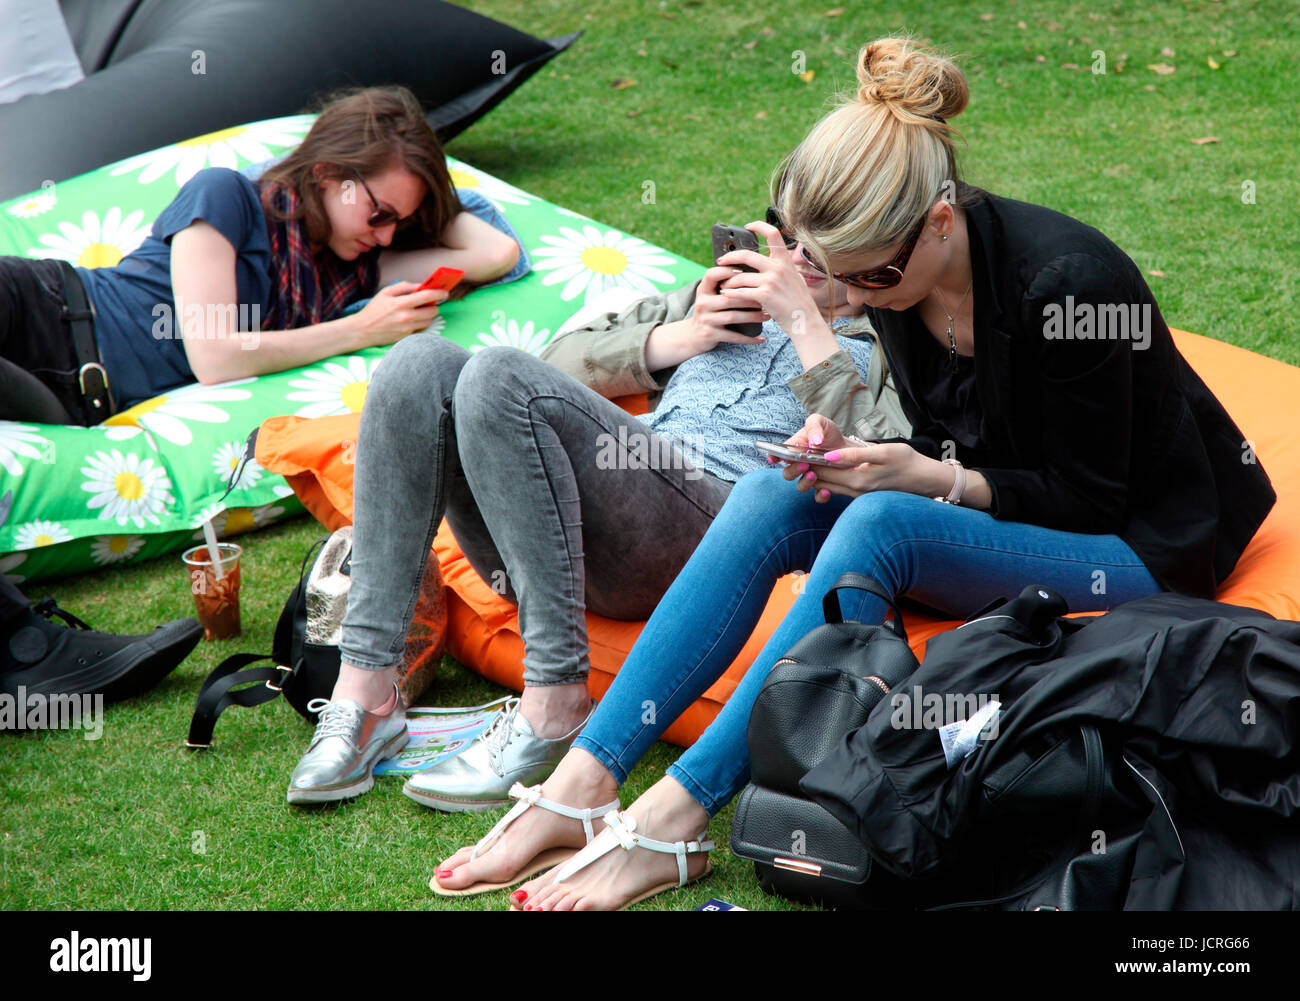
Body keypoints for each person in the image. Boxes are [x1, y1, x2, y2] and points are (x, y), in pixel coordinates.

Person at [431, 37, 1276, 910]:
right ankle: (582, 782)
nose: (859, 298)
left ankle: (674, 818)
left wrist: (926, 477)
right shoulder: (902, 280)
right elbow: (953, 430)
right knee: (776, 489)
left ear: (941, 220)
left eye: (870, 276)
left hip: (1139, 544)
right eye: (842, 278)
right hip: (1011, 508)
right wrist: (854, 445)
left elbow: (1087, 497)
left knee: (884, 523)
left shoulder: (1067, 287)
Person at [285, 228, 910, 811]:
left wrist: (803, 322)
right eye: (785, 236)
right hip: (546, 528)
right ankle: (367, 693)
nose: (794, 258)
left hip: (706, 531)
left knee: (498, 374)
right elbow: (543, 368)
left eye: (818, 245)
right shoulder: (708, 300)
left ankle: (555, 701)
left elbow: (891, 457)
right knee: (416, 361)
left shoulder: (890, 345)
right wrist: (674, 339)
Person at [0, 86, 522, 425]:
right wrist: (362, 331)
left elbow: (497, 252)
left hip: (79, 398)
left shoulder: (354, 270)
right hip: (43, 313)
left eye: (400, 223)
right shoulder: (225, 198)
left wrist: (423, 200)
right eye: (378, 212)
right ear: (325, 173)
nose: (386, 237)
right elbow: (215, 357)